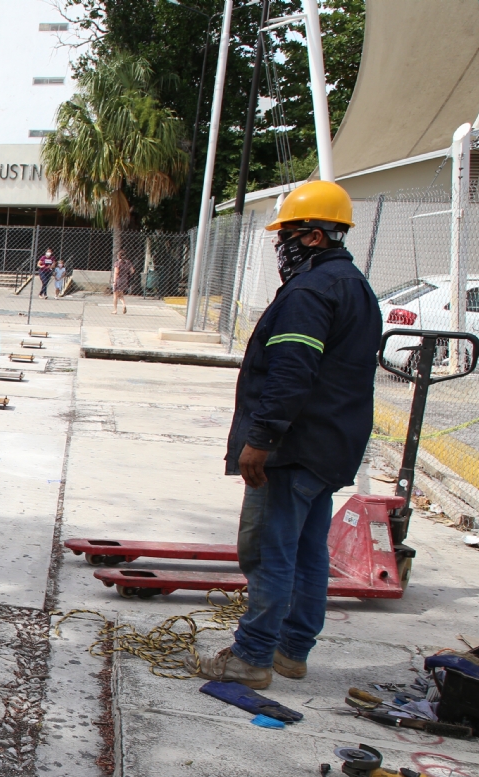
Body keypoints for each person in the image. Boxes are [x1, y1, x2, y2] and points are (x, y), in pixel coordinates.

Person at [199, 180, 379, 690]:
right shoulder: (356, 286)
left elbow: (291, 371)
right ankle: (292, 651)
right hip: (330, 446)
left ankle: (252, 656)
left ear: (316, 237)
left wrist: (263, 438)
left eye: (289, 236)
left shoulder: (309, 292)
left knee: (269, 551)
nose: (283, 247)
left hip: (293, 448)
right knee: (308, 552)